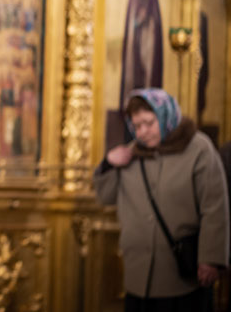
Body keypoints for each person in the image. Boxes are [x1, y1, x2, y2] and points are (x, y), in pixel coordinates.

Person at [94, 88, 229, 312]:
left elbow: (214, 207)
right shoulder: (130, 155)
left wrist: (211, 259)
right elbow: (105, 197)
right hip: (138, 278)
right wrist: (108, 164)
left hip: (181, 278)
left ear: (165, 114)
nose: (142, 132)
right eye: (136, 126)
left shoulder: (198, 149)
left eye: (148, 123)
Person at [120, 0, 163, 112]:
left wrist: (148, 21)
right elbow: (130, 24)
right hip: (135, 46)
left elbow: (156, 24)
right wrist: (138, 20)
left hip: (149, 46)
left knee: (148, 77)